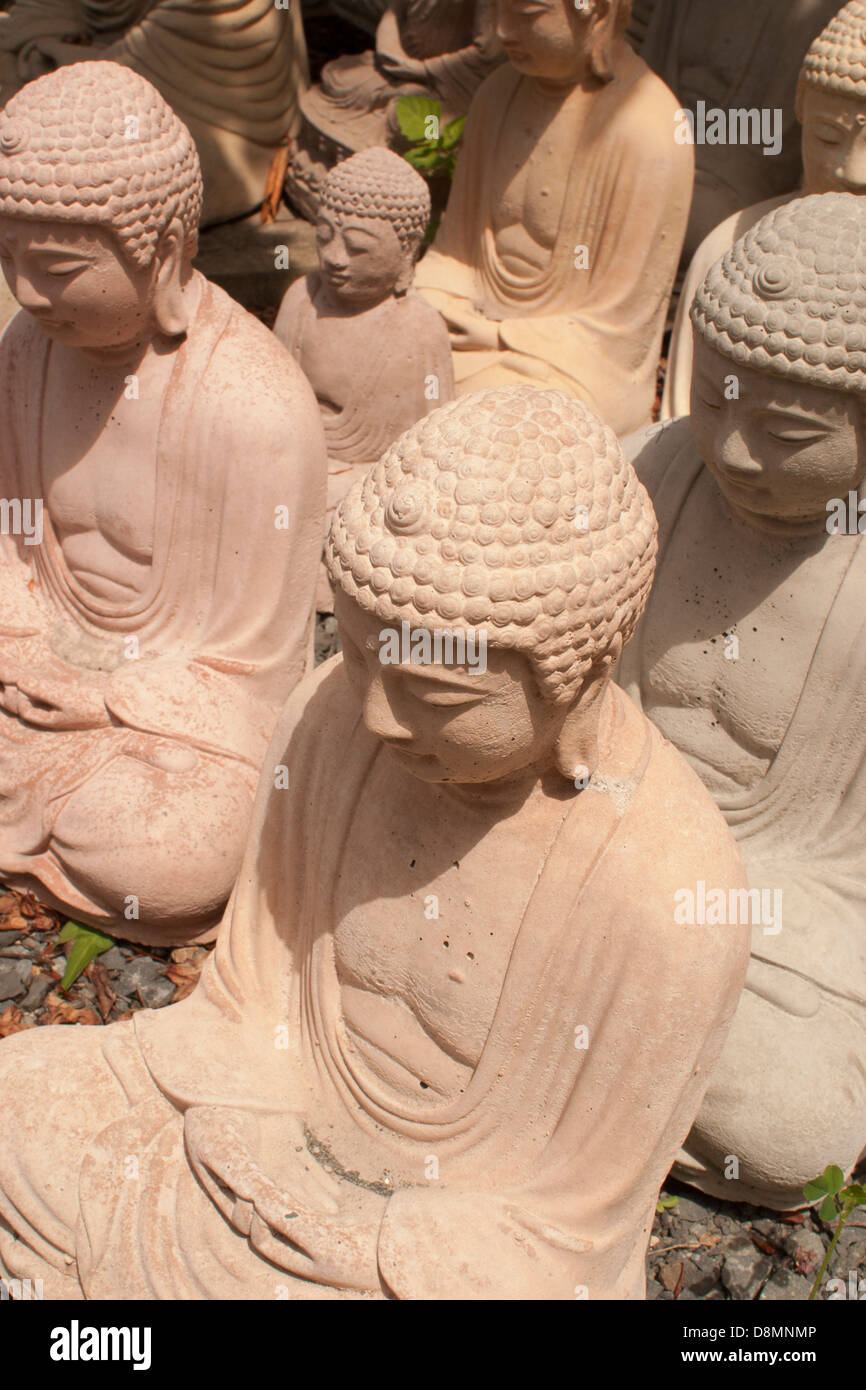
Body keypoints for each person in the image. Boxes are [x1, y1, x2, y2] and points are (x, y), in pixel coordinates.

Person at [0, 385, 748, 1299]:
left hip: (457, 1229)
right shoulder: (331, 715)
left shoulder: (672, 890)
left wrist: (369, 1246)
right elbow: (249, 997)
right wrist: (252, 1126)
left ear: (581, 674)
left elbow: (571, 1226)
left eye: (437, 699)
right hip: (266, 1107)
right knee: (19, 1100)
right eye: (356, 656)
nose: (376, 716)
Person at [0, 62, 326, 945]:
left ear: (165, 254)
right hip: (32, 672)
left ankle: (70, 834)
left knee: (177, 853)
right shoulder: (26, 353)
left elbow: (253, 664)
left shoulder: (252, 408)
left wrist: (99, 696)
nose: (29, 294)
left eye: (60, 268)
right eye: (9, 259)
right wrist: (28, 640)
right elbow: (11, 543)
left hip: (168, 721)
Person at [619, 193, 866, 1208]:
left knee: (785, 1136)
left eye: (784, 430)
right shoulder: (656, 469)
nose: (732, 450)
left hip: (786, 903)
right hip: (598, 821)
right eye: (713, 400)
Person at [414, 0, 692, 437]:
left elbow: (619, 333)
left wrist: (498, 336)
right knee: (377, 348)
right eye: (496, 10)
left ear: (593, 11)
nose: (502, 31)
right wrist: (432, 299)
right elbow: (456, 253)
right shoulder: (495, 96)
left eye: (527, 15)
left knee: (506, 422)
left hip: (572, 364)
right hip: (475, 328)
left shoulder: (649, 129)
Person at [663, 0, 866, 420]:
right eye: (828, 137)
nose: (853, 171)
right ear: (800, 122)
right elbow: (682, 423)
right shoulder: (731, 247)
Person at [275, 146, 454, 612]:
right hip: (291, 462)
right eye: (325, 236)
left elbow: (430, 456)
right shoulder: (300, 300)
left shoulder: (419, 330)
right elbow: (267, 403)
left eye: (357, 247)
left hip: (369, 489)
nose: (335, 257)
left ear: (406, 253)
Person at [0, 0, 309, 224]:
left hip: (208, 113)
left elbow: (134, 76)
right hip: (102, 65)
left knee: (108, 182)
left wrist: (60, 56)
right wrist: (38, 35)